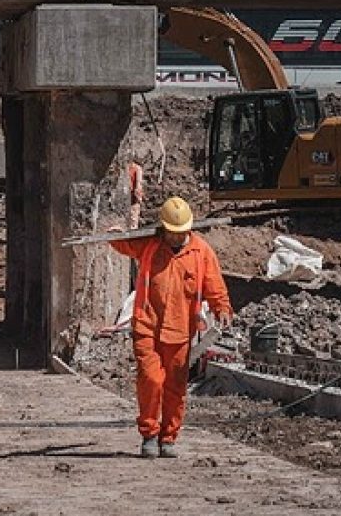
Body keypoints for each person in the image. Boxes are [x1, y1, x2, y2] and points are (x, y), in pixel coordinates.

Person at [107, 197, 232, 459]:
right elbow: (125, 244)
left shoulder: (201, 253)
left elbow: (214, 285)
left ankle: (169, 437)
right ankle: (149, 434)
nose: (176, 238)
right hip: (147, 325)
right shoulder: (150, 245)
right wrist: (116, 235)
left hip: (180, 330)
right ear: (163, 229)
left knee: (175, 386)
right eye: (172, 233)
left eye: (181, 233)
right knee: (151, 380)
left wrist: (221, 308)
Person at [128, 161, 145, 229]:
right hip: (128, 197)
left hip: (133, 198)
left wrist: (138, 198)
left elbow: (138, 184)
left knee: (133, 221)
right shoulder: (126, 168)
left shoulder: (137, 169)